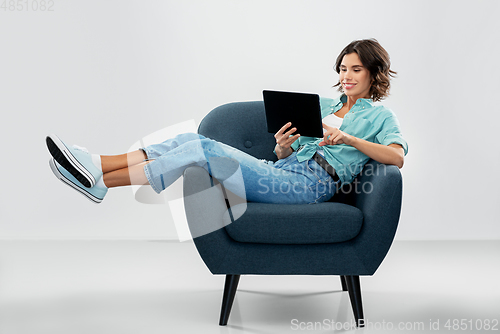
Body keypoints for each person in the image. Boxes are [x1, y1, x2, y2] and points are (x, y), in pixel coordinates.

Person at [46, 38, 408, 205]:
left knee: (202, 148)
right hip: (283, 171)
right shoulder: (326, 104)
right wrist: (283, 146)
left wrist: (349, 140)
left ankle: (98, 176)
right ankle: (97, 168)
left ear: (373, 73)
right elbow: (285, 156)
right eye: (343, 69)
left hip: (310, 188)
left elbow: (396, 157)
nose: (346, 76)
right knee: (187, 139)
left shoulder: (380, 116)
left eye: (355, 69)